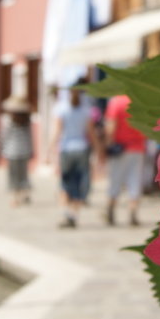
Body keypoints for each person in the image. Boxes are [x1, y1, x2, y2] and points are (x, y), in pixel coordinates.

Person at [51, 83, 96, 228]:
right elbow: (91, 132)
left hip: (66, 149)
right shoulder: (85, 110)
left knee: (66, 182)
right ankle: (74, 215)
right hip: (82, 148)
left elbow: (58, 131)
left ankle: (66, 214)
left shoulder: (61, 109)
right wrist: (99, 148)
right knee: (79, 181)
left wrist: (49, 149)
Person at [103, 93, 147, 227]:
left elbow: (111, 126)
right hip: (137, 147)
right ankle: (133, 212)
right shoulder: (139, 101)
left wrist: (108, 144)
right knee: (134, 181)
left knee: (115, 180)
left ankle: (110, 210)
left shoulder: (116, 102)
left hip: (120, 148)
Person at [0, 95, 34, 206]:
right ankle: (24, 194)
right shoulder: (26, 121)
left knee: (13, 176)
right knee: (23, 174)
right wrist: (31, 150)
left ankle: (16, 198)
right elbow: (29, 137)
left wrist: (1, 149)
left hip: (12, 152)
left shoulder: (8, 121)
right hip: (24, 151)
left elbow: (4, 136)